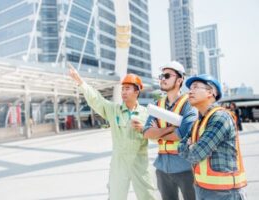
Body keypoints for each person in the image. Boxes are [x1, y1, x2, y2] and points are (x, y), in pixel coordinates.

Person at [68, 63, 155, 200]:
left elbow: (156, 138)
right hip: (119, 164)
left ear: (137, 91)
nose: (124, 92)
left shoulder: (146, 114)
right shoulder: (114, 110)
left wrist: (144, 129)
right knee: (116, 196)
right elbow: (97, 100)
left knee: (148, 196)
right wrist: (80, 81)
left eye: (127, 89)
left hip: (140, 163)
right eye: (122, 89)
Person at [178, 74, 247, 200]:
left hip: (225, 193)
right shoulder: (198, 122)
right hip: (202, 189)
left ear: (210, 92)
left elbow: (195, 154)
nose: (190, 91)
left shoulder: (220, 118)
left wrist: (190, 146)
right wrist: (189, 147)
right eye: (190, 88)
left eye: (195, 87)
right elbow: (180, 149)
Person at [143, 61, 197, 200]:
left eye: (167, 76)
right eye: (161, 76)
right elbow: (147, 133)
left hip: (186, 168)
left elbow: (182, 134)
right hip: (162, 169)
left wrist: (159, 132)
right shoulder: (157, 105)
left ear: (179, 80)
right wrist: (171, 128)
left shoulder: (189, 104)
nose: (162, 79)